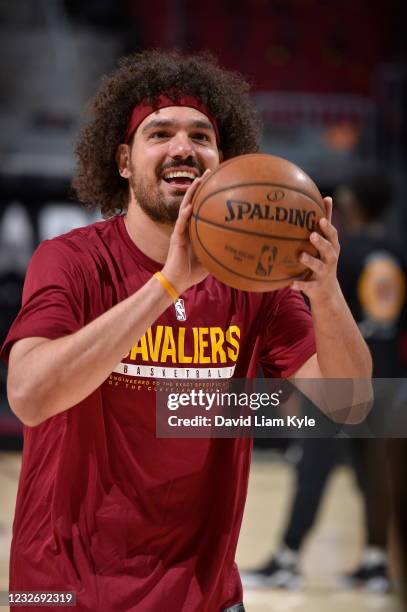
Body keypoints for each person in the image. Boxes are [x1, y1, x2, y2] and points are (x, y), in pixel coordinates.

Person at [1, 50, 371, 612]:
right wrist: (168, 285)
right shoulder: (69, 262)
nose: (183, 148)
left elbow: (347, 407)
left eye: (202, 135)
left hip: (203, 597)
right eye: (161, 133)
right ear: (123, 160)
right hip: (63, 593)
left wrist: (325, 291)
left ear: (223, 162)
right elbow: (29, 396)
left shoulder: (255, 286)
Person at [242, 171, 406, 595]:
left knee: (314, 465)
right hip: (387, 378)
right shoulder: (399, 253)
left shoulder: (343, 255)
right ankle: (375, 562)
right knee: (376, 475)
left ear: (352, 204)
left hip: (338, 372)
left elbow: (322, 316)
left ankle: (288, 558)